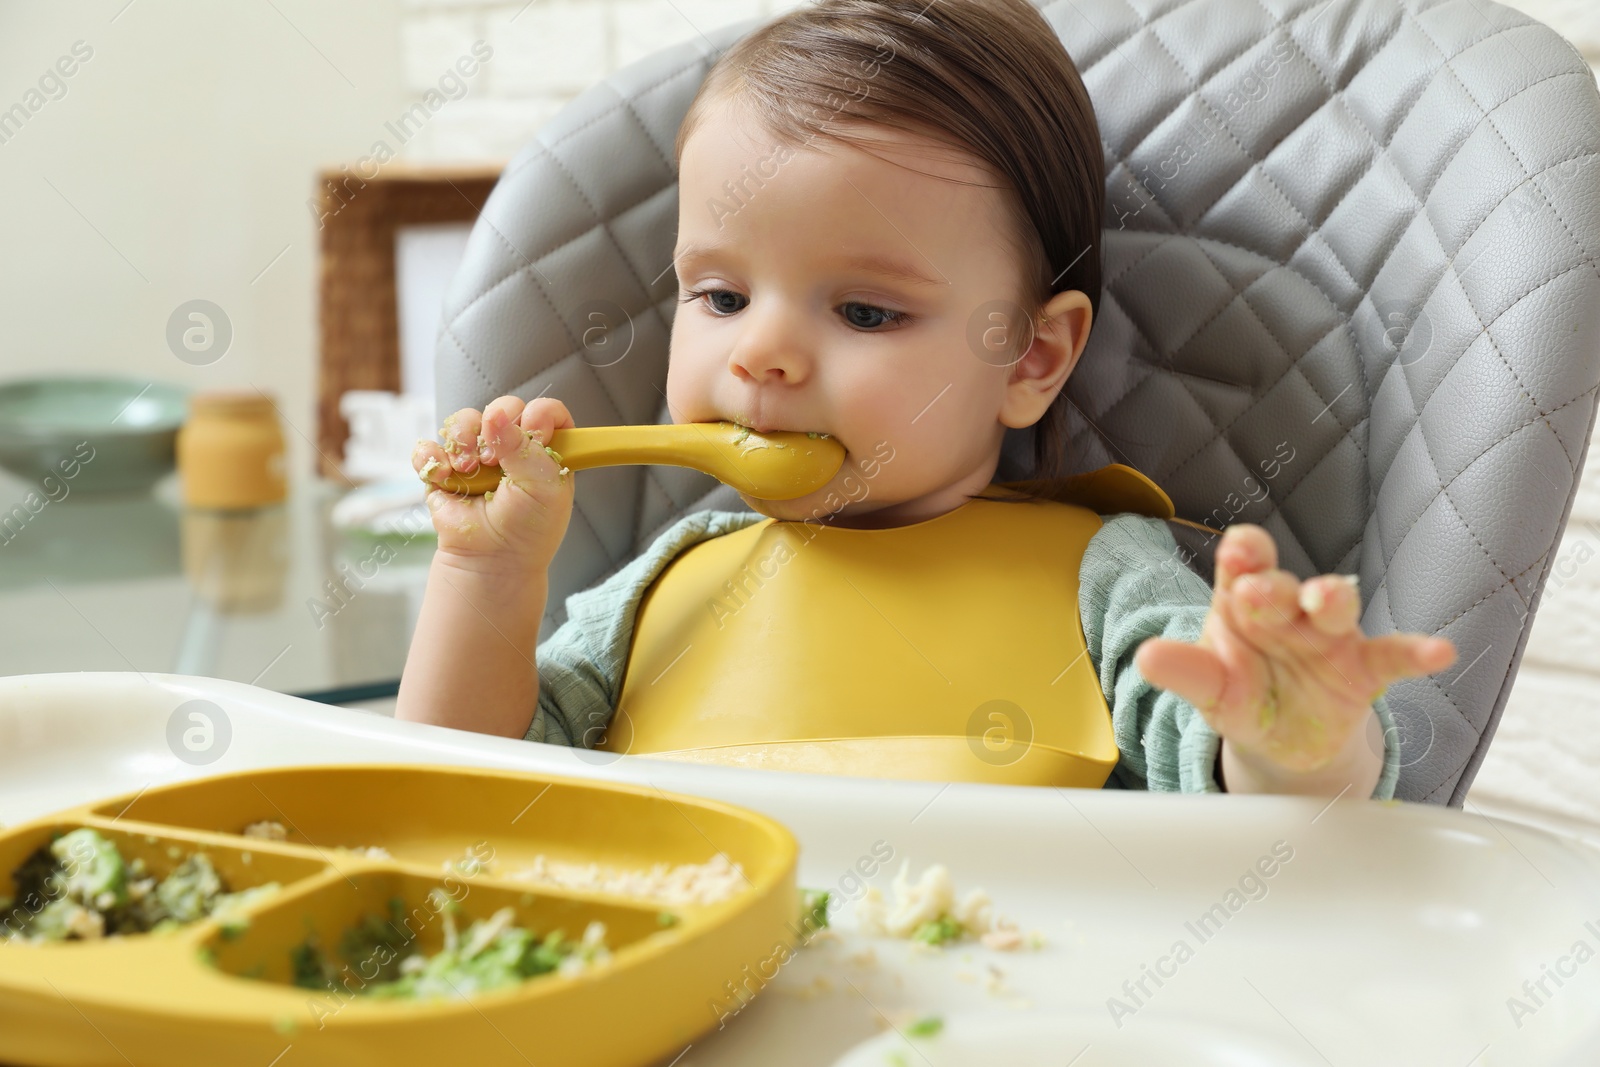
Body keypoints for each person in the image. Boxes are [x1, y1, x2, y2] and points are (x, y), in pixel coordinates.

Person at [396, 0, 1457, 799]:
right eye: (720, 294)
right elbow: (467, 794)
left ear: (1032, 361)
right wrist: (483, 575)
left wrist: (1295, 736)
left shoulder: (1101, 581)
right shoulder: (665, 586)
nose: (761, 350)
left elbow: (1234, 792)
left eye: (864, 313)